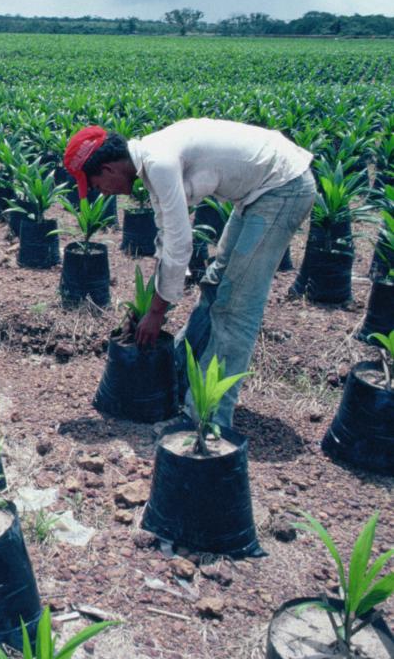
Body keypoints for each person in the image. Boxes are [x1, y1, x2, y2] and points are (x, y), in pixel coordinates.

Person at [62, 119, 315, 428]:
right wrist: (154, 303)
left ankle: (206, 421)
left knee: (235, 309)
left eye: (97, 185)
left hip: (282, 188)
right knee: (215, 286)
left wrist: (156, 312)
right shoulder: (152, 164)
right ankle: (180, 377)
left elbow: (181, 245)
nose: (102, 193)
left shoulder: (160, 163)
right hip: (260, 192)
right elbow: (166, 239)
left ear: (109, 170)